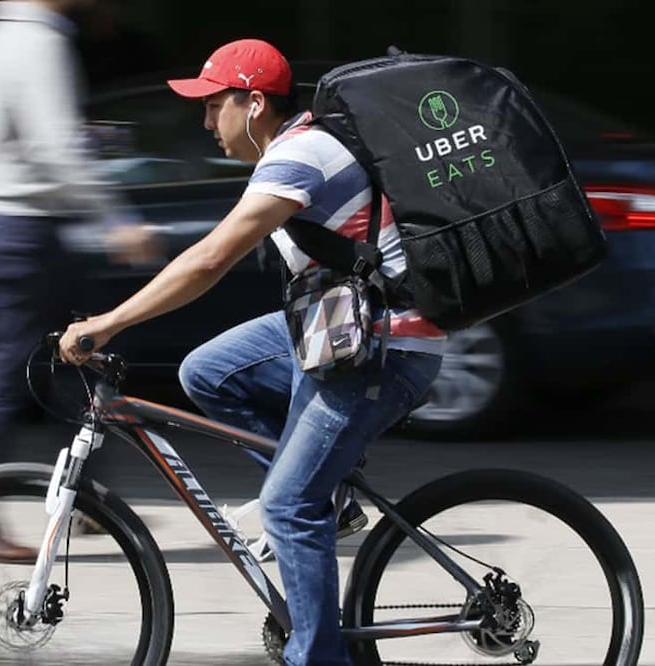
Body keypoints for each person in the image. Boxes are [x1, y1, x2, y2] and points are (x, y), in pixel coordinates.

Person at [59, 38, 446, 666]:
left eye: (214, 105)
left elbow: (210, 259)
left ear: (254, 103)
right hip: (337, 334)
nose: (206, 121)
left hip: (384, 348)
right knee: (209, 373)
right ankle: (332, 500)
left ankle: (316, 653)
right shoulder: (295, 148)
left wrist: (108, 323)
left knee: (290, 508)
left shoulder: (299, 156)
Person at [0, 0, 154, 563]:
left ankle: (85, 497)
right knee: (14, 370)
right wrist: (114, 218)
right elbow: (54, 147)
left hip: (0, 222)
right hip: (23, 227)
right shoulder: (37, 42)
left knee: (72, 361)